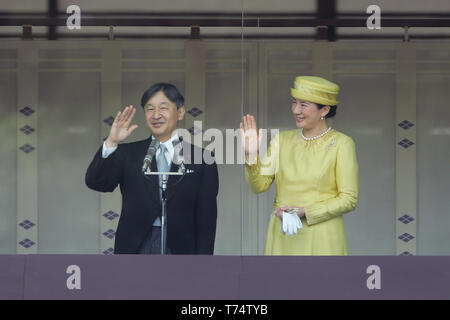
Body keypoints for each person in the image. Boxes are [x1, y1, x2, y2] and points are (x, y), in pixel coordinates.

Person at [85, 83, 218, 254]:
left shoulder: (202, 158)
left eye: (164, 108)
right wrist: (111, 142)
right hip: (136, 245)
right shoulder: (128, 153)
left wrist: (204, 262)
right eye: (150, 109)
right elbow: (97, 182)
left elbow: (206, 218)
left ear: (180, 112)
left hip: (182, 247)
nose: (156, 115)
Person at [241, 76, 359, 255]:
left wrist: (306, 212)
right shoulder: (282, 140)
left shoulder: (342, 144)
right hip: (283, 237)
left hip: (323, 238)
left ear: (324, 110)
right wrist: (251, 154)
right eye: (294, 103)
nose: (296, 110)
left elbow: (348, 199)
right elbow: (258, 186)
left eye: (303, 105)